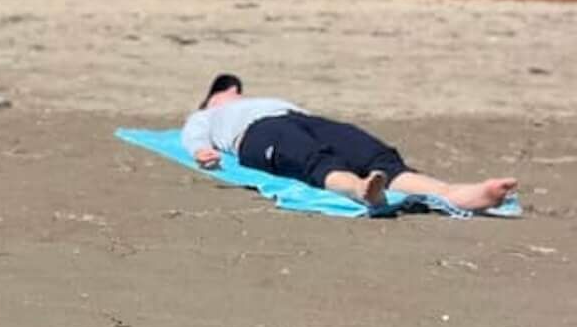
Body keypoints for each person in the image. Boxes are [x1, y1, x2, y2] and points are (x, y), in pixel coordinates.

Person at [182, 73, 518, 212]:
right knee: (311, 158)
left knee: (374, 154)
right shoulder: (208, 115)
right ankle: (359, 189)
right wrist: (201, 150)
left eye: (236, 91)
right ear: (213, 99)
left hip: (303, 118)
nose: (235, 94)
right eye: (226, 92)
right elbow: (193, 136)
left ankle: (455, 193)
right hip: (258, 133)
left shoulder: (264, 100)